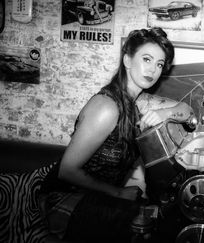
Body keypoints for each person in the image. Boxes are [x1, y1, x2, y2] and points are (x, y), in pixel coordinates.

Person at [39, 27, 193, 242]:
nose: (153, 70)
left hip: (100, 198)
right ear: (128, 60)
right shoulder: (107, 107)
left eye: (159, 64)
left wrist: (164, 112)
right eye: (146, 59)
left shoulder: (138, 101)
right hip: (66, 199)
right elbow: (67, 170)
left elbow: (187, 110)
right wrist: (118, 193)